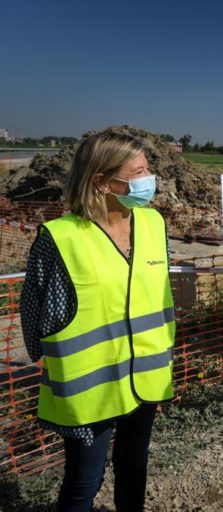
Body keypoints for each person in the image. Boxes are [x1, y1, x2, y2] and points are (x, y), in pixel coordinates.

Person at [20, 131, 175, 511]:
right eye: (137, 172)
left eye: (148, 169)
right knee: (83, 482)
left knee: (133, 467)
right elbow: (35, 317)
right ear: (101, 182)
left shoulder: (153, 224)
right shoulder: (62, 237)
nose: (148, 179)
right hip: (92, 389)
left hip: (146, 376)